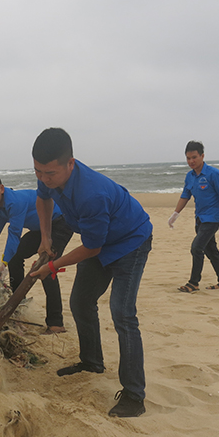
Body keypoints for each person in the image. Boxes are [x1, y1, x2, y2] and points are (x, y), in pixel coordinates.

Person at [28, 128, 153, 418]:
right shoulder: (47, 177)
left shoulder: (92, 194)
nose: (44, 179)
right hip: (100, 241)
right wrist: (45, 238)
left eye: (50, 173)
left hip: (130, 243)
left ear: (70, 164)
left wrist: (52, 266)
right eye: (37, 171)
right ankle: (92, 361)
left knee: (123, 314)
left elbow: (92, 248)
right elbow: (43, 200)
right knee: (80, 302)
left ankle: (135, 395)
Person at [0, 174, 73, 334]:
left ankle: (56, 323)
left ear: (1, 189)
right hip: (40, 230)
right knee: (15, 257)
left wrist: (3, 264)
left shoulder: (14, 202)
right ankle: (18, 304)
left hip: (60, 224)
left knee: (46, 269)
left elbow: (14, 234)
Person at [169, 140, 219, 292]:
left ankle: (193, 283)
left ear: (202, 156)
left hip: (212, 218)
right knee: (211, 250)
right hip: (199, 218)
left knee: (196, 248)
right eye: (188, 158)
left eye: (194, 157)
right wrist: (175, 214)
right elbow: (185, 196)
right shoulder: (190, 176)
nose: (191, 161)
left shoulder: (214, 174)